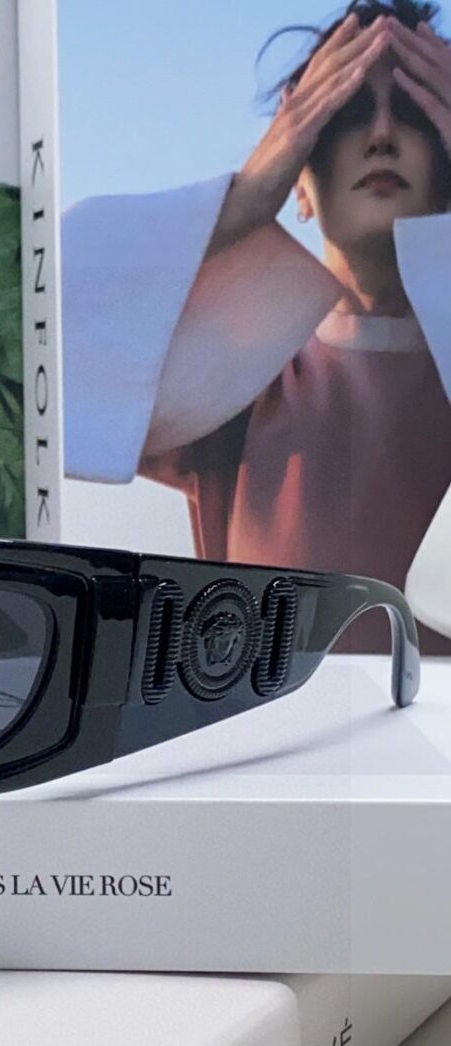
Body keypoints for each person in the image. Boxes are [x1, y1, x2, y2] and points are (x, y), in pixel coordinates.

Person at [63, 1, 451, 652]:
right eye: (345, 112)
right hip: (272, 719)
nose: (382, 135)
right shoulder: (239, 373)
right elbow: (30, 339)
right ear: (299, 180)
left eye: (413, 111)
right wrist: (240, 201)